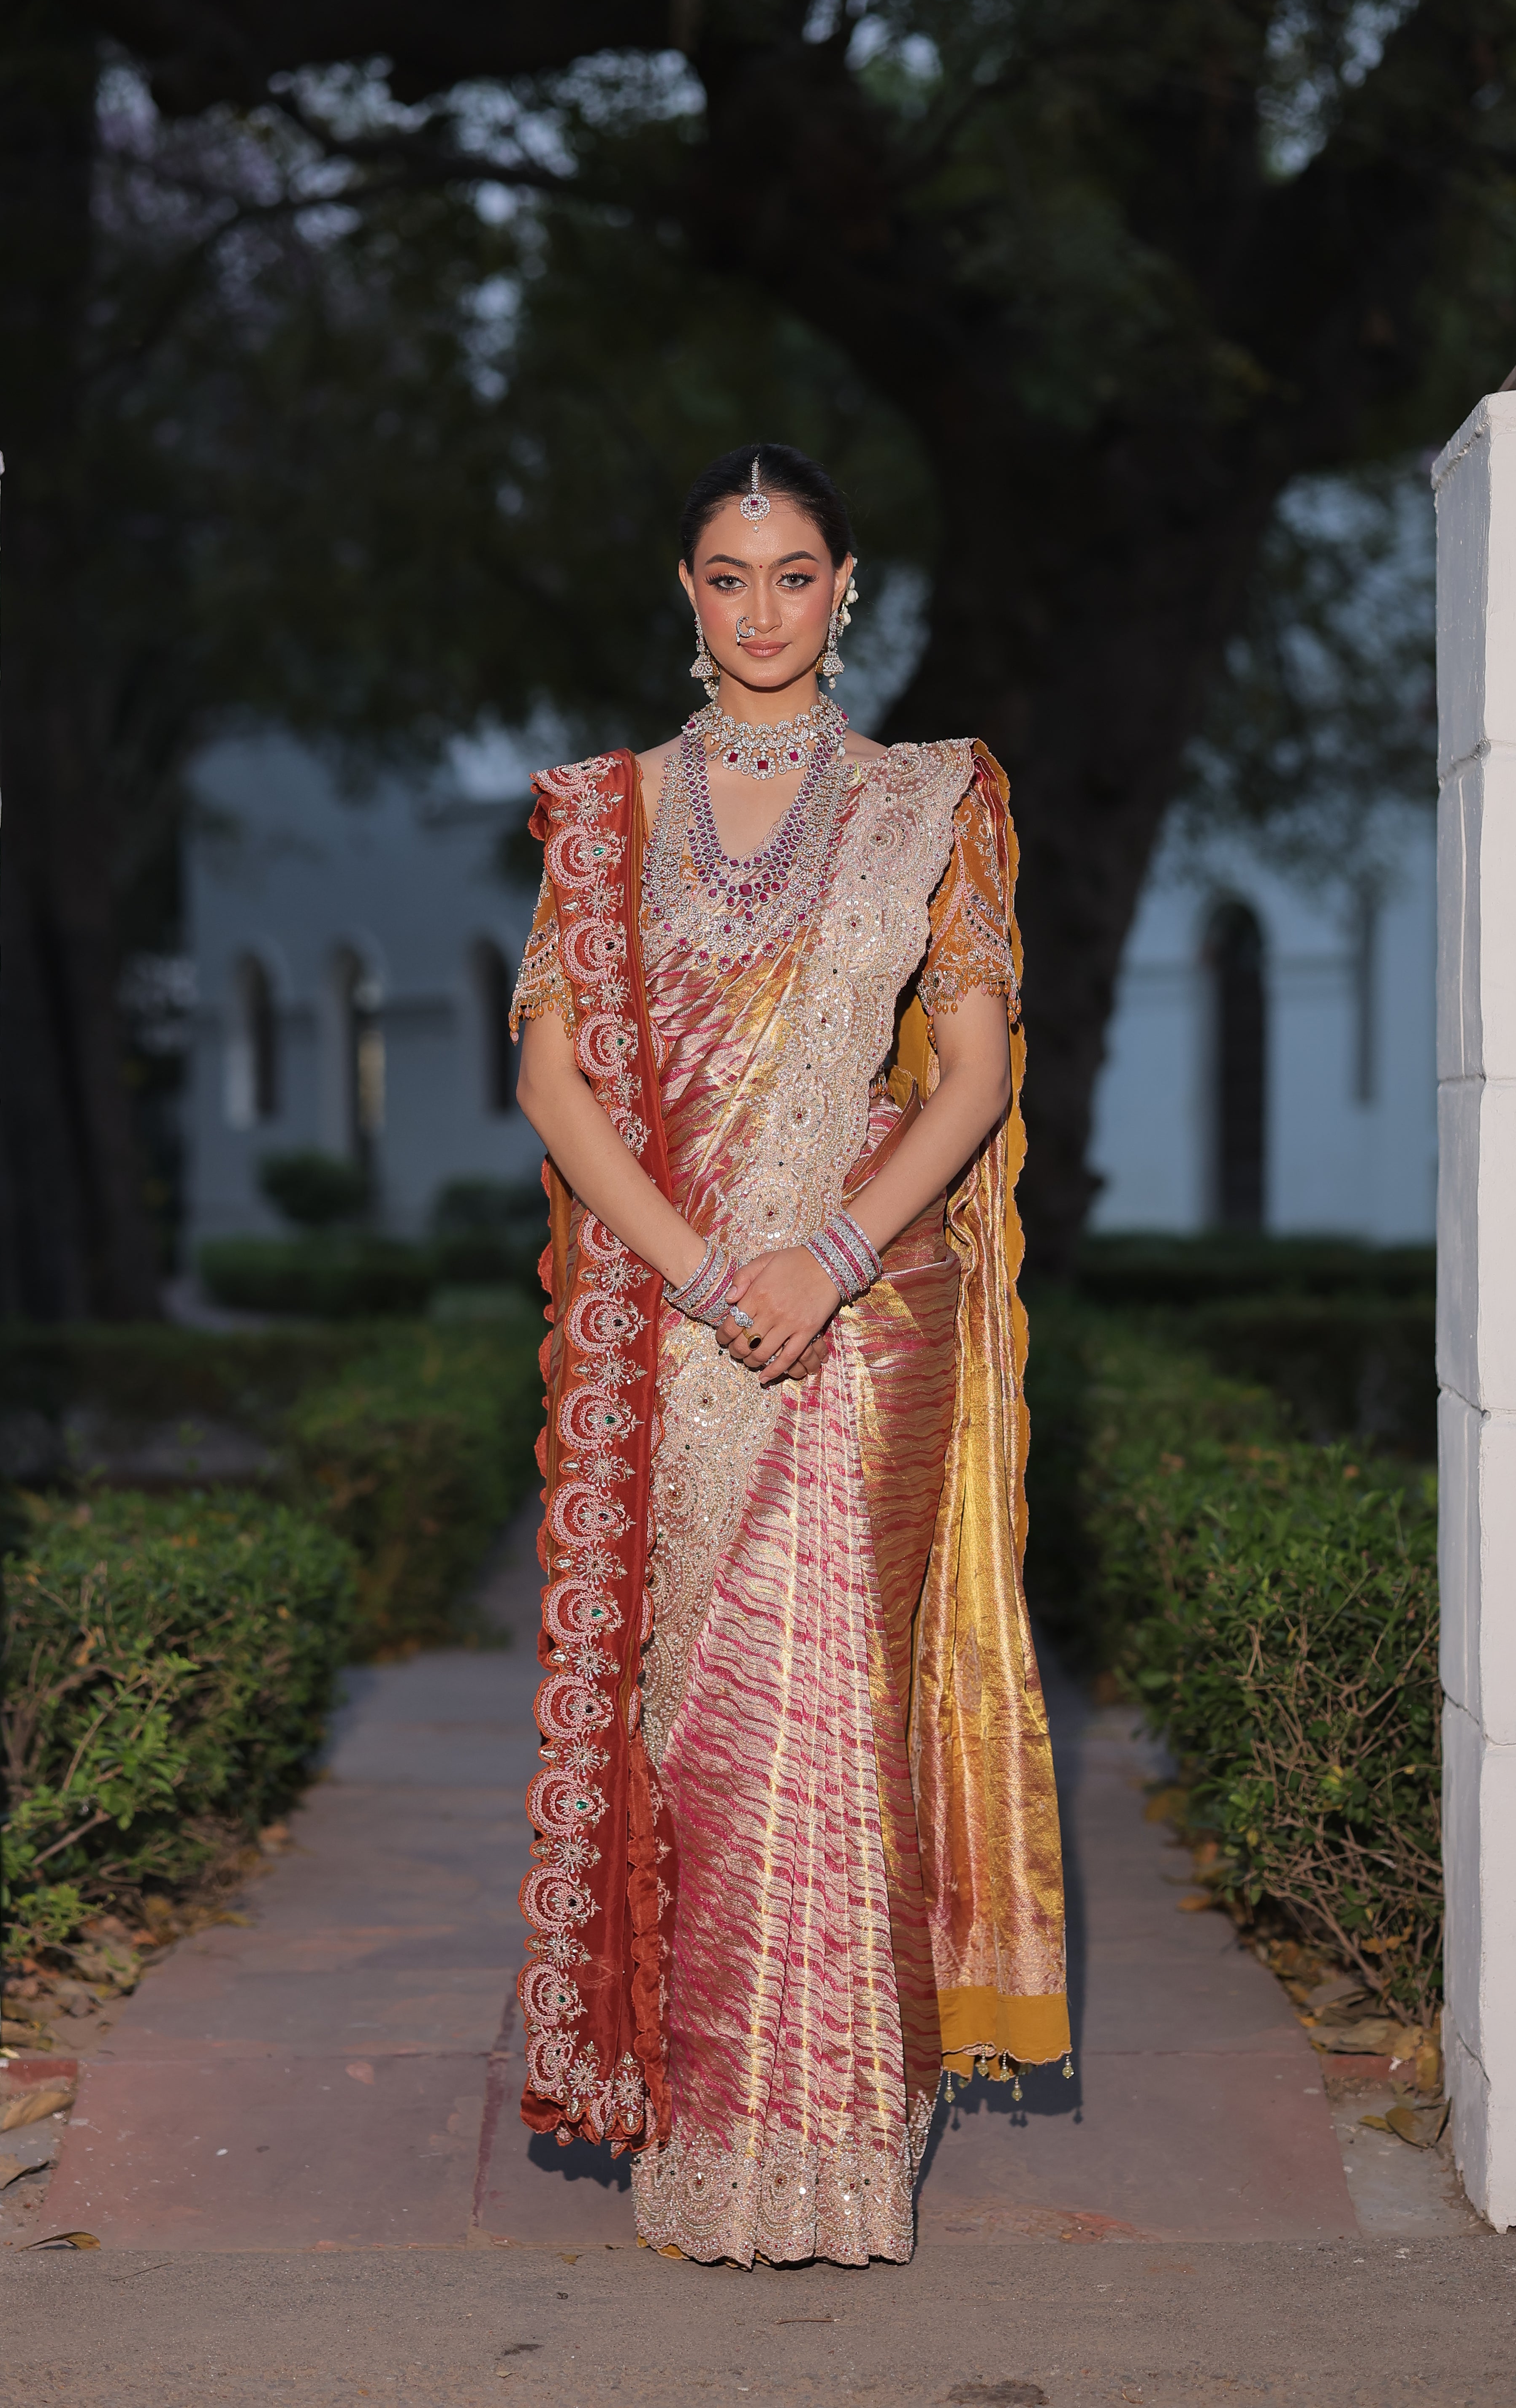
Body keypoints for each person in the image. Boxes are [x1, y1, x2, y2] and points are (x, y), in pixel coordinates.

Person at [510, 442, 1068, 2268]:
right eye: (730, 576)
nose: (764, 609)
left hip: (873, 1310)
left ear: (850, 586)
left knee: (841, 1713)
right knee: (704, 1731)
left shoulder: (933, 797)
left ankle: (844, 2142)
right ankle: (722, 2148)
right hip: (688, 1325)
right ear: (687, 593)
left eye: (797, 573)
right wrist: (698, 1276)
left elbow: (972, 1072)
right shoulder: (606, 815)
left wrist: (825, 1258)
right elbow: (553, 1080)